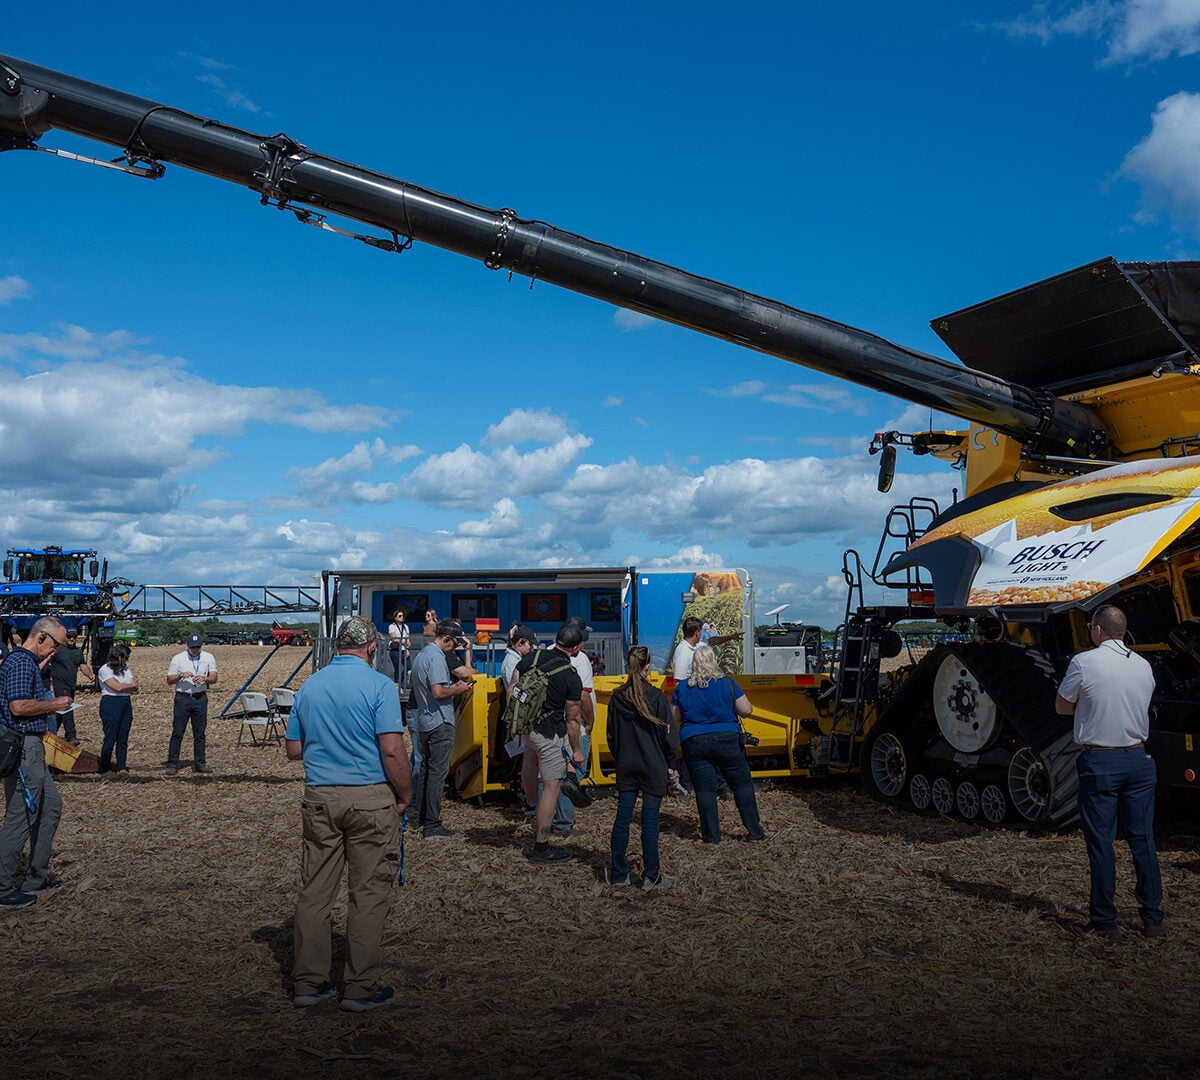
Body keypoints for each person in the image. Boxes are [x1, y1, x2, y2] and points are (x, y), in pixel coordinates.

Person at [285, 615, 412, 1011]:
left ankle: (308, 983)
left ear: (337, 646)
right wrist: (405, 795)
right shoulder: (380, 686)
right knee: (369, 894)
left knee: (315, 892)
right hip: (371, 798)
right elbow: (392, 750)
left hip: (320, 796)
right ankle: (359, 989)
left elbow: (293, 750)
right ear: (372, 648)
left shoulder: (309, 686)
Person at [1055, 604, 1164, 939]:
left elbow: (1062, 706)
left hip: (1100, 761)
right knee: (1143, 840)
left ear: (1097, 630)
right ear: (1122, 631)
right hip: (1138, 759)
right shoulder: (1144, 666)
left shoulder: (1084, 662)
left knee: (1102, 842)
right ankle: (1153, 918)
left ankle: (1105, 921)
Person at [0, 617, 72, 909]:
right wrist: (53, 706)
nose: (55, 651)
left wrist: (39, 670)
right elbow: (18, 707)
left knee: (51, 806)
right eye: (55, 644)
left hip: (32, 748)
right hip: (24, 749)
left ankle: (36, 877)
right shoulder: (20, 663)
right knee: (21, 815)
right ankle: (3, 888)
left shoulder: (27, 664)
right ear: (41, 638)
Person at [671, 643, 764, 843]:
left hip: (694, 741)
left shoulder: (683, 688)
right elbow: (746, 710)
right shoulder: (727, 683)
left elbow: (675, 716)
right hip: (727, 739)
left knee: (705, 789)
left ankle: (712, 836)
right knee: (741, 785)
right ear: (714, 662)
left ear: (694, 664)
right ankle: (755, 831)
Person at [513, 623, 585, 863]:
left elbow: (514, 686)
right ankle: (542, 846)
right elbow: (573, 720)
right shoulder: (570, 676)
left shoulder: (533, 657)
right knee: (552, 787)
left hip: (527, 727)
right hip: (547, 734)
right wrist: (577, 751)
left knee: (533, 766)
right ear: (575, 648)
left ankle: (565, 781)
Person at [607, 645, 677, 890]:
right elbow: (668, 737)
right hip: (652, 764)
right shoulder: (655, 697)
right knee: (649, 823)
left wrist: (620, 756)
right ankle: (651, 876)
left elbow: (611, 736)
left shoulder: (617, 697)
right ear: (648, 666)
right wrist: (672, 765)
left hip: (627, 763)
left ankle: (618, 874)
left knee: (622, 819)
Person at [409, 618, 472, 839]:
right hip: (439, 721)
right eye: (453, 644)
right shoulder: (436, 657)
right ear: (445, 638)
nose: (453, 648)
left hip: (425, 720)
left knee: (426, 771)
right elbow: (438, 691)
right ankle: (433, 825)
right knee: (437, 774)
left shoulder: (422, 655)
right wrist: (457, 688)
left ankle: (422, 818)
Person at [550, 616, 595, 837]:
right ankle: (564, 823)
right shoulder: (580, 659)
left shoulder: (547, 652)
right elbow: (584, 697)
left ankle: (546, 819)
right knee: (572, 775)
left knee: (548, 776)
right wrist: (590, 724)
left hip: (550, 725)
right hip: (574, 724)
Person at [165, 632, 217, 775]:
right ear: (187, 645)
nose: (195, 650)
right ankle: (172, 763)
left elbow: (214, 678)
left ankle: (200, 763)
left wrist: (205, 679)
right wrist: (181, 675)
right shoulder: (178, 659)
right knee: (177, 732)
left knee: (200, 733)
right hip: (183, 698)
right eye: (192, 647)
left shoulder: (208, 657)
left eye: (198, 647)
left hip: (200, 698)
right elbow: (169, 680)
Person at [45, 625, 94, 745]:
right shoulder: (57, 650)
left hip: (71, 686)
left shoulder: (78, 652)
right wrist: (50, 684)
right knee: (67, 710)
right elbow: (47, 664)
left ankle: (50, 735)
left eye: (74, 637)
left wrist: (90, 675)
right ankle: (71, 736)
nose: (72, 639)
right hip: (59, 685)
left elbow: (82, 665)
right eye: (69, 636)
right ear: (64, 637)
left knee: (60, 713)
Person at [96, 643, 138, 774]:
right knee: (110, 737)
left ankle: (121, 766)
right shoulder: (105, 669)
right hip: (111, 703)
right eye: (126, 657)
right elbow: (117, 687)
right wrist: (128, 686)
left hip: (125, 702)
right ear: (119, 657)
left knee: (123, 737)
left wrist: (126, 686)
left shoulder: (126, 669)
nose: (127, 661)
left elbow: (135, 686)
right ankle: (105, 767)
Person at [387, 609, 410, 686]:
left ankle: (399, 682)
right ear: (395, 618)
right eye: (400, 616)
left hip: (404, 649)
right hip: (395, 650)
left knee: (408, 666)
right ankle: (397, 684)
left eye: (402, 616)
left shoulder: (405, 627)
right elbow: (394, 638)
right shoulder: (392, 626)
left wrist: (407, 648)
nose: (402, 617)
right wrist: (404, 642)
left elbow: (407, 638)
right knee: (397, 668)